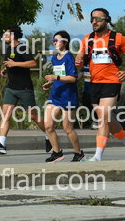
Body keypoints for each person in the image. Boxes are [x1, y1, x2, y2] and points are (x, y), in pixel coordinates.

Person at [75, 8, 125, 162]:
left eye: (98, 19)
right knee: (106, 118)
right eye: (92, 19)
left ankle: (97, 156)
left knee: (103, 116)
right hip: (94, 83)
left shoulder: (118, 38)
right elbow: (80, 59)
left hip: (112, 81)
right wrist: (78, 62)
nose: (94, 22)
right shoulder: (87, 39)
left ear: (106, 20)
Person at [0, 25, 51, 155]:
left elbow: (33, 63)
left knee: (33, 116)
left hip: (25, 88)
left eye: (6, 35)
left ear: (13, 36)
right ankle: (1, 145)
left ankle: (49, 136)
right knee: (5, 115)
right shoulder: (8, 49)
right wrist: (6, 69)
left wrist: (14, 64)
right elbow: (11, 63)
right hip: (11, 88)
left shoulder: (22, 48)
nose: (4, 37)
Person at [42, 31, 85, 162]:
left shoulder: (69, 58)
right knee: (48, 126)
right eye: (54, 40)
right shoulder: (55, 58)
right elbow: (59, 76)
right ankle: (57, 152)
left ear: (65, 42)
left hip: (68, 97)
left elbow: (73, 78)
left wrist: (55, 77)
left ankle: (78, 153)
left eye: (57, 40)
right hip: (55, 95)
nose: (55, 42)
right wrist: (50, 83)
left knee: (68, 128)